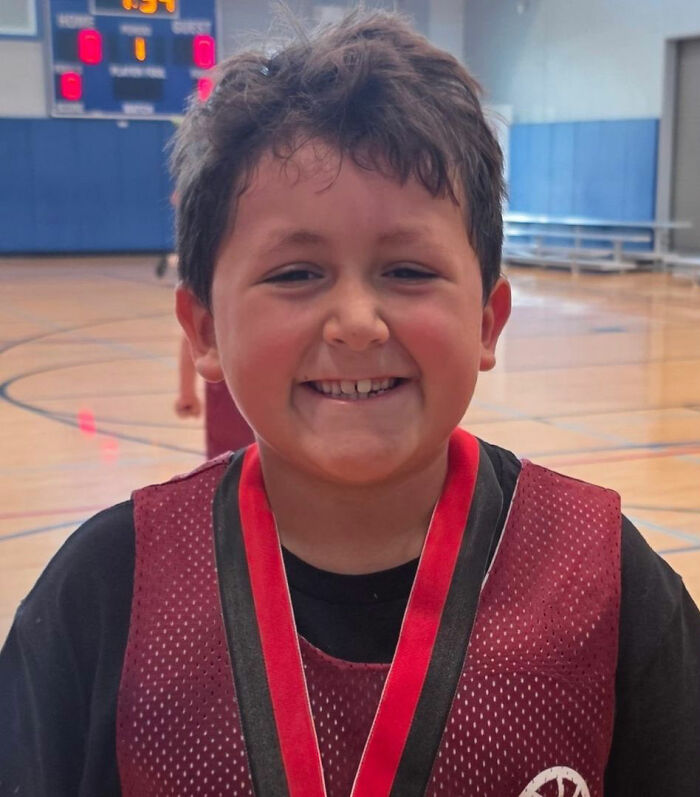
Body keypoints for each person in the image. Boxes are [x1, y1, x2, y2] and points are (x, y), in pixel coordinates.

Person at [1, 10, 699, 796]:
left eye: (407, 270)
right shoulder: (102, 598)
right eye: (296, 273)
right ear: (203, 330)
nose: (359, 324)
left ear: (486, 322)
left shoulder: (607, 584)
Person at [175, 333, 255, 458]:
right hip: (226, 402)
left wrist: (187, 393)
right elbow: (191, 337)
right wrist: (187, 393)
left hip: (261, 394)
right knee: (228, 462)